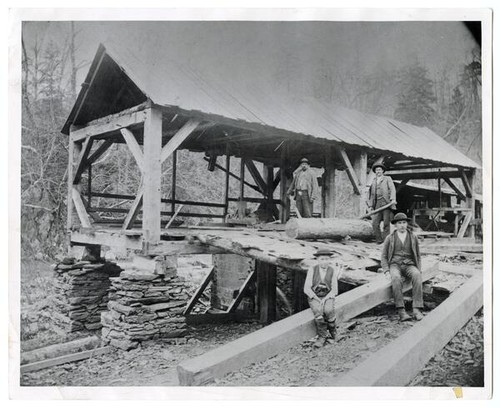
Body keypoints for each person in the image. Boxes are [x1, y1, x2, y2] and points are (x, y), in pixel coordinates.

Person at [381, 212, 424, 322]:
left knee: (417, 275)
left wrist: (419, 268)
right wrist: (386, 270)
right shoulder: (389, 238)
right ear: (395, 225)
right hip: (395, 265)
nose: (402, 225)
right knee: (395, 278)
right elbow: (384, 256)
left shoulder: (413, 237)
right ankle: (401, 311)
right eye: (399, 223)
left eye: (404, 222)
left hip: (409, 264)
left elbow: (418, 255)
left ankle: (416, 309)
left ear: (407, 224)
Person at [304, 249, 344, 348]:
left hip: (327, 295)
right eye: (322, 259)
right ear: (318, 260)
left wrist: (326, 299)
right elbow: (306, 288)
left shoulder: (332, 270)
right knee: (318, 311)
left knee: (328, 310)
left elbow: (334, 289)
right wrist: (316, 299)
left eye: (327, 259)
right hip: (314, 295)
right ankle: (322, 337)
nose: (324, 261)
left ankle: (334, 333)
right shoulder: (312, 270)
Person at [367, 163, 397, 244]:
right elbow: (370, 194)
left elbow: (392, 189)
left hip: (386, 203)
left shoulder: (387, 178)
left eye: (379, 170)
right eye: (376, 170)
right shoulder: (373, 181)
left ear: (383, 171)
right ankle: (379, 240)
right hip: (377, 205)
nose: (378, 171)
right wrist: (370, 205)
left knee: (386, 224)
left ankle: (386, 242)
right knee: (374, 223)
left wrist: (393, 199)